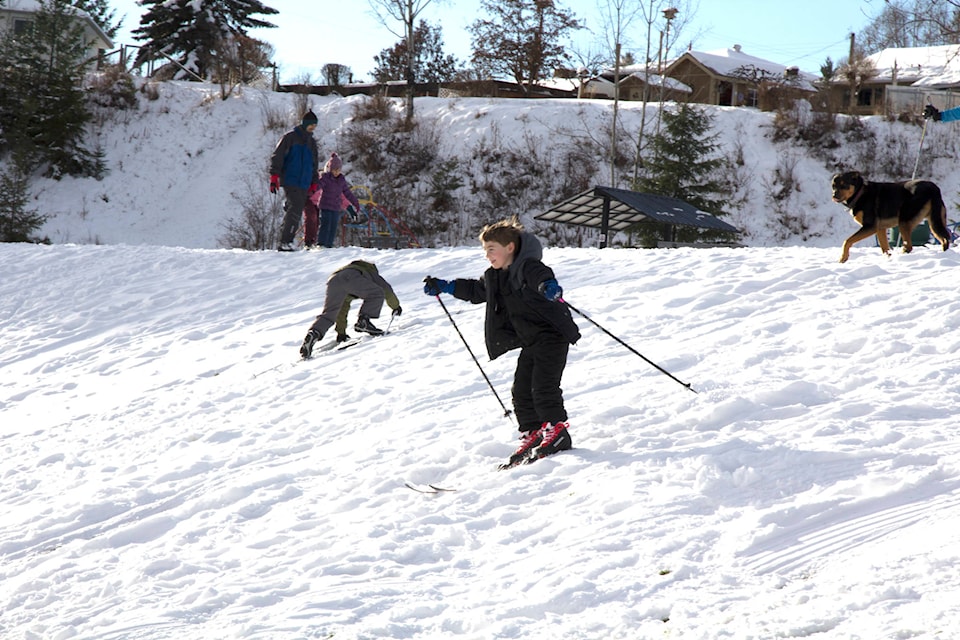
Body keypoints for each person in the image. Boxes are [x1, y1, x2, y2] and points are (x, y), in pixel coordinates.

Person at [423, 218, 580, 468]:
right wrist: (447, 287)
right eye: (485, 250)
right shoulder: (495, 277)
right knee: (521, 391)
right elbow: (476, 291)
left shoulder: (528, 267)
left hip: (551, 336)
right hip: (531, 341)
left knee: (543, 387)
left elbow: (542, 275)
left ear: (510, 247)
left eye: (491, 249)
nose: (487, 255)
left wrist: (548, 287)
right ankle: (533, 433)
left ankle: (557, 431)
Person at [299, 260, 402, 358]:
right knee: (377, 293)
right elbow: (386, 290)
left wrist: (341, 333)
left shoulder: (349, 269)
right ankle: (363, 322)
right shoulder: (369, 271)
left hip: (333, 281)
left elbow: (342, 310)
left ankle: (314, 333)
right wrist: (396, 306)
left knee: (330, 312)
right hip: (351, 277)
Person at [270, 111, 320, 251]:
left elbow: (314, 164)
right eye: (311, 125)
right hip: (291, 180)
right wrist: (274, 176)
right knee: (296, 208)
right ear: (304, 124)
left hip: (304, 182)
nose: (313, 128)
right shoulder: (290, 138)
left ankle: (285, 240)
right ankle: (286, 241)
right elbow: (277, 157)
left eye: (314, 126)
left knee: (293, 209)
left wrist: (314, 181)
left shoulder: (312, 143)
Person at [308, 152, 361, 248]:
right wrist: (312, 190)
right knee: (326, 224)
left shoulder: (341, 180)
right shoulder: (326, 177)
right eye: (334, 170)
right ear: (330, 169)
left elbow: (347, 193)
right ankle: (321, 243)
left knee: (333, 226)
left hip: (335, 207)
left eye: (338, 170)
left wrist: (355, 203)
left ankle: (329, 245)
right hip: (325, 205)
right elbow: (319, 186)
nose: (336, 172)